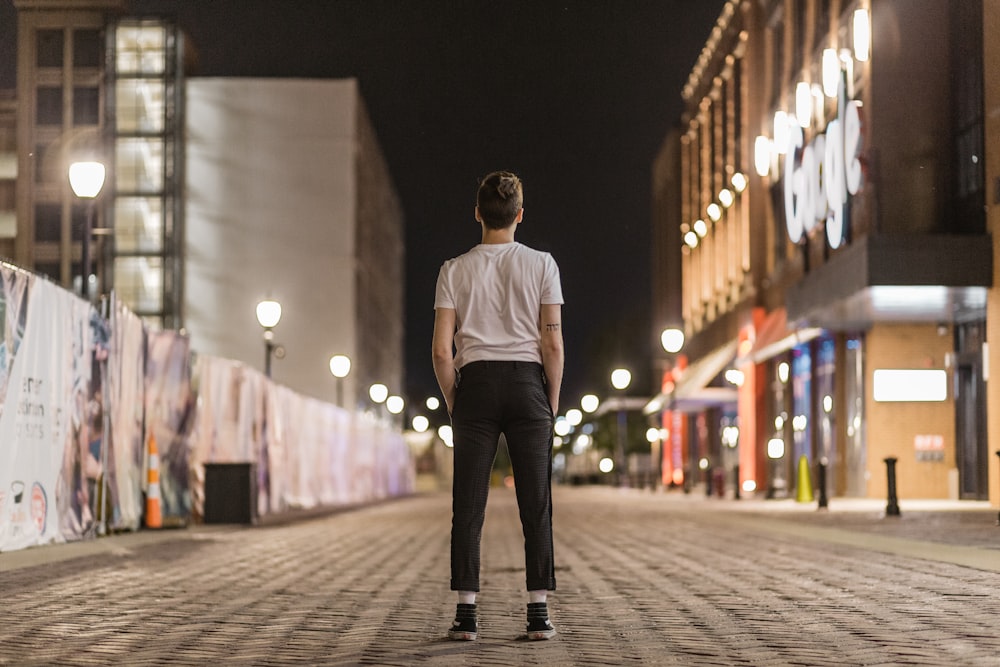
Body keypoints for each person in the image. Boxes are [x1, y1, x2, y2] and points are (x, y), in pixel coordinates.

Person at [432, 170, 564, 641]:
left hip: (476, 386)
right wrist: (549, 399)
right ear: (520, 216)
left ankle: (466, 614)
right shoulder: (543, 265)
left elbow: (442, 352)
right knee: (536, 503)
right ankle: (537, 613)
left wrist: (455, 400)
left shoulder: (453, 269)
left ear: (477, 214)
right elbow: (552, 342)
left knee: (467, 503)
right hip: (528, 382)